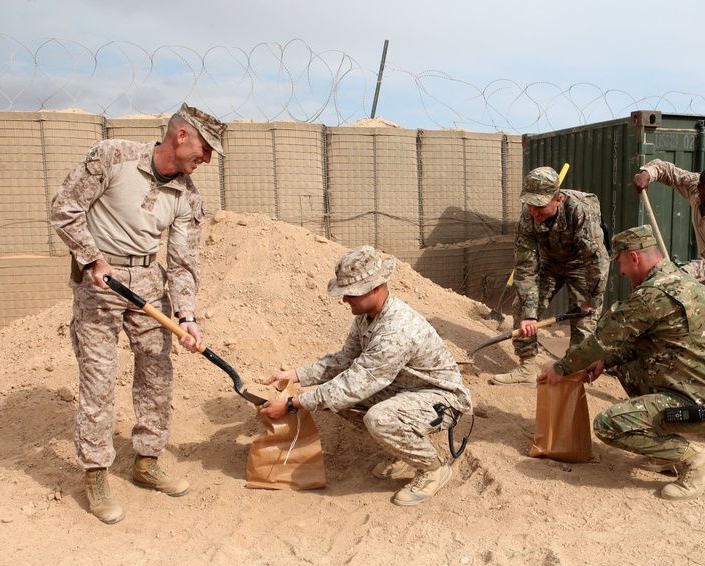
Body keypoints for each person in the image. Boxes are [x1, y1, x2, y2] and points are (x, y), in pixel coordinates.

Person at [50, 103, 227, 524]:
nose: (206, 160)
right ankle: (95, 474)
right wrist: (92, 259)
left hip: (148, 279)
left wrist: (187, 315)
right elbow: (64, 207)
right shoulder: (113, 156)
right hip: (100, 281)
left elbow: (183, 261)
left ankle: (147, 460)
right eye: (204, 149)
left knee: (157, 371)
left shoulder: (187, 195)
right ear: (181, 135)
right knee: (99, 377)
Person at [260, 246, 473, 507]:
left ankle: (432, 469)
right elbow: (346, 360)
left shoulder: (396, 331)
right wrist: (296, 375)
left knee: (377, 417)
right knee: (339, 399)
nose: (344, 300)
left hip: (440, 399)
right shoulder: (367, 316)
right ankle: (401, 450)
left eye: (350, 294)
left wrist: (293, 404)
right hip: (403, 389)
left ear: (374, 288)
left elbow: (354, 385)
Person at [537, 225, 705, 501]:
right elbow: (643, 345)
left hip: (700, 404)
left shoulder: (653, 294)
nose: (621, 272)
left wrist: (560, 368)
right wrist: (606, 362)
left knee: (609, 425)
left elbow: (601, 340)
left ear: (634, 257)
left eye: (620, 263)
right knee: (627, 368)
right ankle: (662, 451)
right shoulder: (681, 281)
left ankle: (696, 460)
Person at [489, 166, 609, 387]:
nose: (535, 212)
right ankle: (526, 369)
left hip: (582, 266)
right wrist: (529, 314)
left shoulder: (580, 211)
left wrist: (591, 300)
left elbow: (597, 260)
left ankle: (574, 374)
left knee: (584, 321)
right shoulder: (527, 218)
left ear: (557, 200)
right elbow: (526, 268)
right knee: (521, 308)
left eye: (541, 206)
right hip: (550, 263)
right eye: (530, 204)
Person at [633, 160, 705, 359]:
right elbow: (667, 170)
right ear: (698, 188)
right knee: (701, 327)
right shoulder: (693, 185)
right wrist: (647, 173)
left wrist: (676, 274)